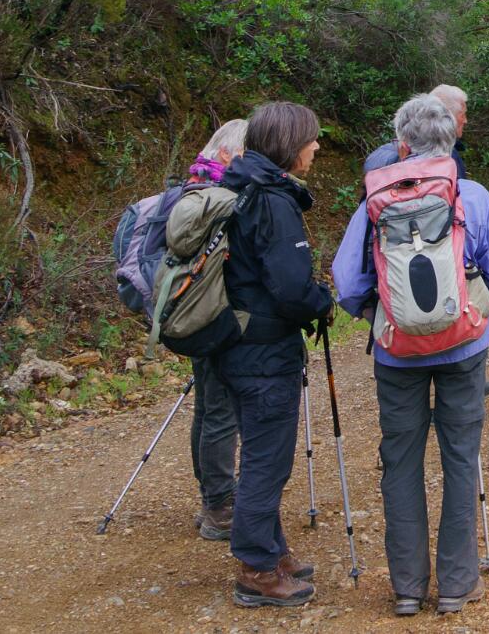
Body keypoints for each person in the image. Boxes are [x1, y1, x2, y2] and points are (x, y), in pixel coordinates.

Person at [332, 93, 489, 617]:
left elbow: (347, 282)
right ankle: (458, 584)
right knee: (460, 456)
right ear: (452, 139)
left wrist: (383, 314)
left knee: (400, 461)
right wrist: (469, 307)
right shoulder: (471, 195)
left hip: (397, 355)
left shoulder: (375, 198)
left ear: (401, 144)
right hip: (464, 347)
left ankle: (408, 588)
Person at [216, 101, 336, 609]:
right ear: (290, 144)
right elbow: (290, 288)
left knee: (261, 454)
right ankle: (257, 570)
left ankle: (272, 551)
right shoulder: (272, 199)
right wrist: (322, 301)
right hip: (264, 352)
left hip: (234, 344)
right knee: (267, 461)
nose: (316, 146)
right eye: (311, 138)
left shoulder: (238, 186)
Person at [187, 119, 248, 542]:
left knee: (208, 407)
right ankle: (219, 506)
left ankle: (212, 497)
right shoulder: (219, 196)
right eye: (244, 153)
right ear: (225, 153)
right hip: (215, 314)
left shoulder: (193, 188)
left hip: (192, 313)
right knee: (221, 409)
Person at [364, 83, 469, 181]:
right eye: (462, 114)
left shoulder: (379, 155)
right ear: (443, 114)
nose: (465, 120)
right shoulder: (447, 157)